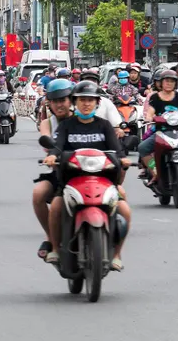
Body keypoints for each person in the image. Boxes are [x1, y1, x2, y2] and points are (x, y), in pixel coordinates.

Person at [42, 80, 131, 271]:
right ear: (75, 102)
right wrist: (52, 156)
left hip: (103, 180)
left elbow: (117, 149)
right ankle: (55, 249)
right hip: (72, 180)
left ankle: (116, 254)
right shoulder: (66, 126)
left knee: (125, 209)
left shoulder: (105, 125)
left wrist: (123, 159)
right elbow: (58, 146)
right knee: (56, 205)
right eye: (82, 100)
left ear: (97, 103)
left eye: (90, 100)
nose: (86, 104)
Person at [33, 78, 74, 259]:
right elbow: (47, 139)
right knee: (38, 194)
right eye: (55, 101)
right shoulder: (47, 123)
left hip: (87, 170)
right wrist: (51, 155)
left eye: (63, 100)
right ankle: (50, 236)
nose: (59, 105)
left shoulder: (82, 119)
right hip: (60, 171)